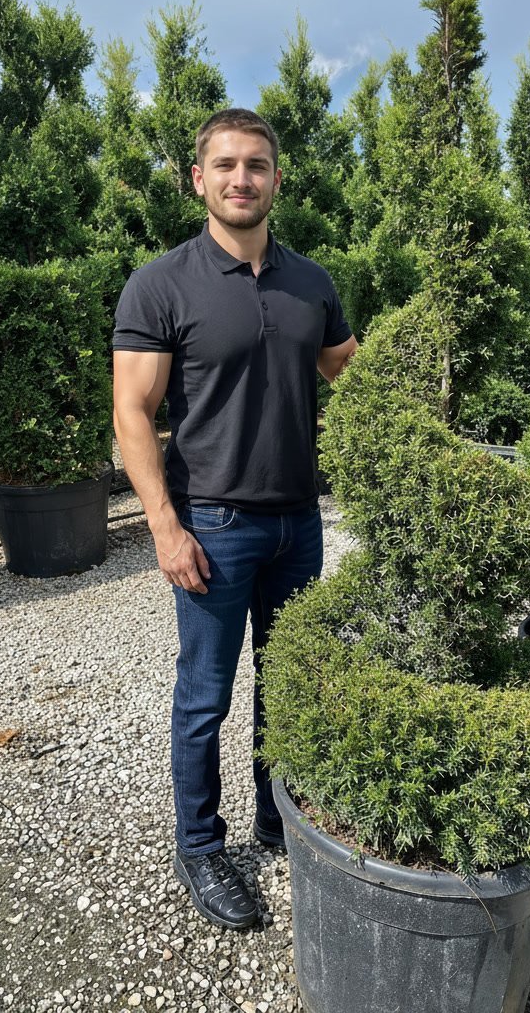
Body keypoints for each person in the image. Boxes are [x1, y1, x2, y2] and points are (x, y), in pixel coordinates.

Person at [112, 108, 357, 931]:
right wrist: (163, 525)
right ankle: (200, 846)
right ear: (199, 180)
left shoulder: (312, 284)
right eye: (225, 165)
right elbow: (133, 412)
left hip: (298, 523)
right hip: (212, 526)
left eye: (256, 165)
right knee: (206, 696)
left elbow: (351, 375)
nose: (241, 178)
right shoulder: (161, 283)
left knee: (287, 686)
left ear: (277, 180)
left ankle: (275, 817)